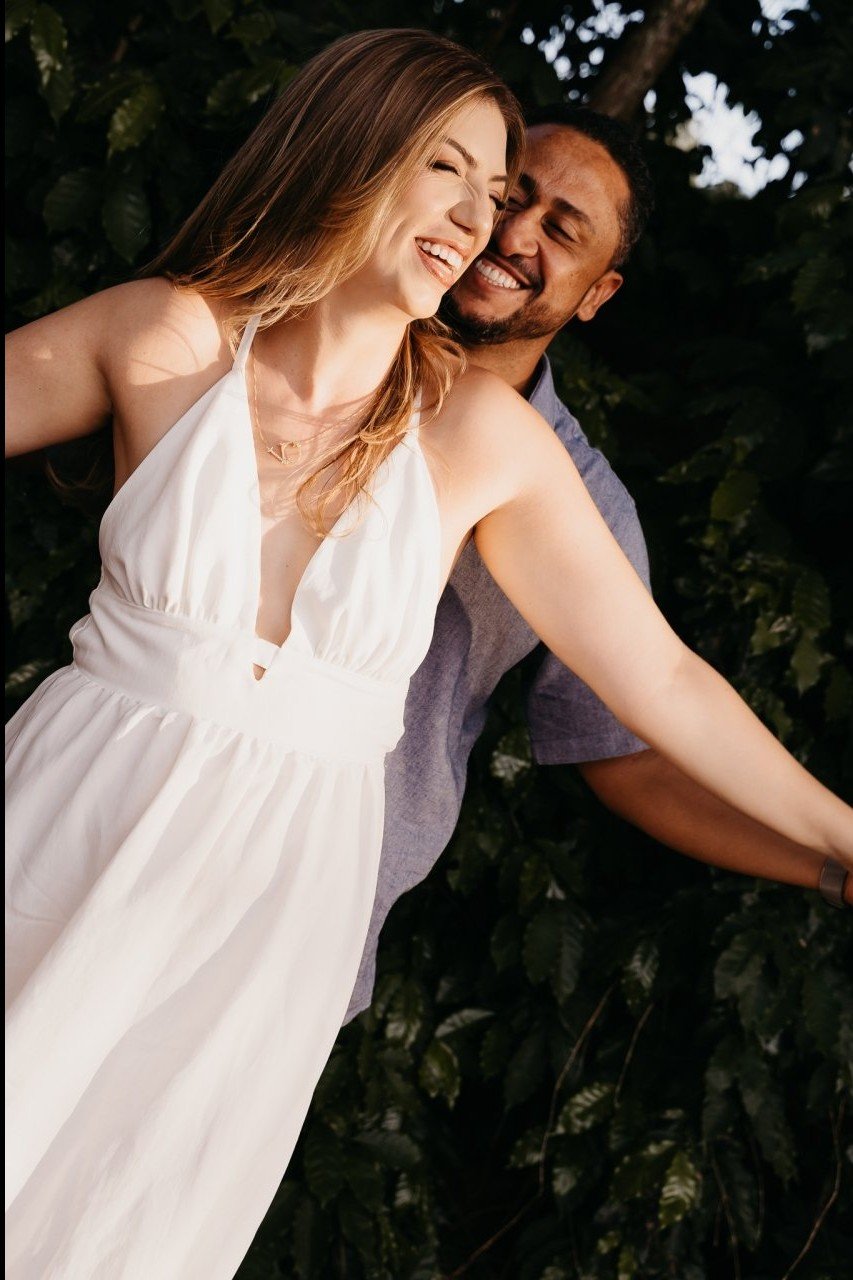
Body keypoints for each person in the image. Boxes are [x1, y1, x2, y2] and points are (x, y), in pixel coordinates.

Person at [4, 27, 851, 1280]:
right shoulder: (166, 335)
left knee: (117, 1232)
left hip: (278, 908)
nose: (477, 218)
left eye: (490, 188)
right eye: (446, 169)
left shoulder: (485, 438)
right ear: (352, 152)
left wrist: (843, 837)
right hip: (67, 817)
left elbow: (662, 681)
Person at [341, 105, 852, 1024]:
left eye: (562, 230)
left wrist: (829, 866)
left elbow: (634, 748)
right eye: (509, 196)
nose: (514, 235)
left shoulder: (582, 499)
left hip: (338, 885)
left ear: (596, 295)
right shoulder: (315, 352)